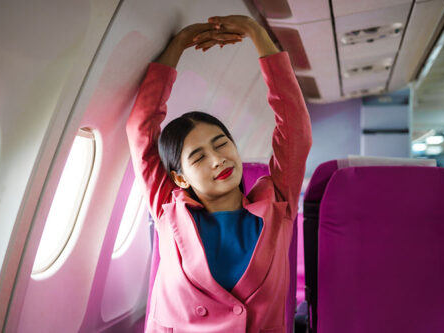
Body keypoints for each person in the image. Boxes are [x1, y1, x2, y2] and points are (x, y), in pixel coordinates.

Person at [126, 15, 312, 333]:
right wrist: (178, 45)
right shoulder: (167, 209)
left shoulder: (277, 203)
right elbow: (140, 128)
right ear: (180, 178)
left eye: (221, 144)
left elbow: (294, 126)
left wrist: (257, 34)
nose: (217, 160)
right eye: (198, 157)